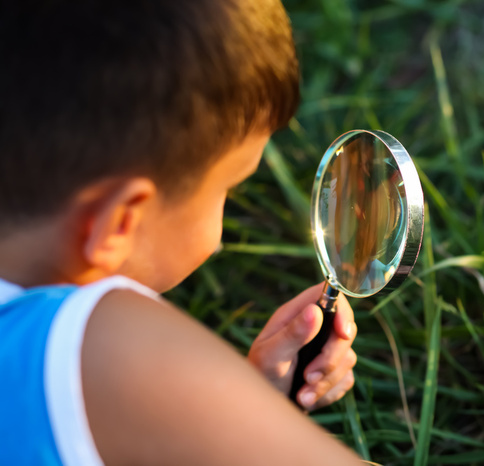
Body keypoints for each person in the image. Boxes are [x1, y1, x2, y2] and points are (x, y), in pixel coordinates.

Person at [0, 0, 363, 464]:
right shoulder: (105, 348)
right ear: (118, 223)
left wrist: (246, 410)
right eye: (229, 186)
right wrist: (213, 406)